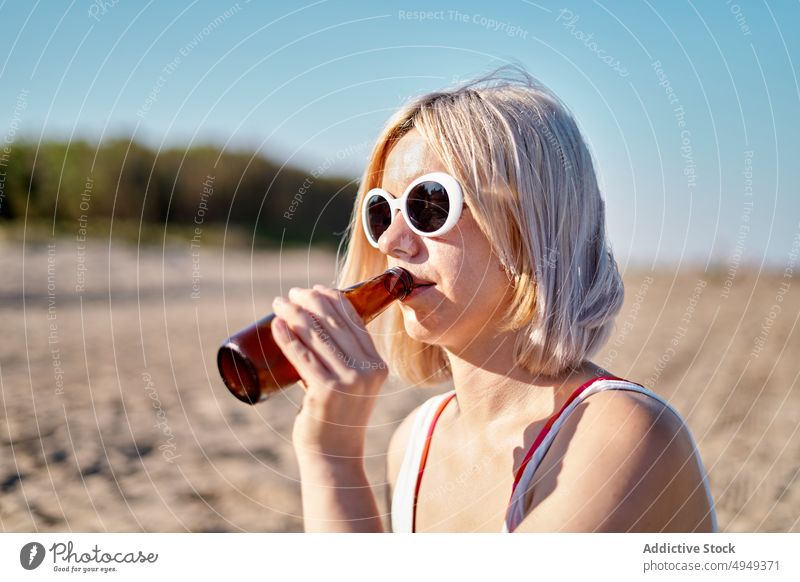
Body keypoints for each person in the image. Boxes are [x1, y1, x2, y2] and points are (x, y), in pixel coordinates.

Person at [269, 65, 718, 533]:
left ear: (530, 223)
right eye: (382, 211)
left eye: (429, 205)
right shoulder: (413, 444)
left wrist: (334, 462)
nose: (391, 241)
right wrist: (325, 447)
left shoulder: (621, 435)